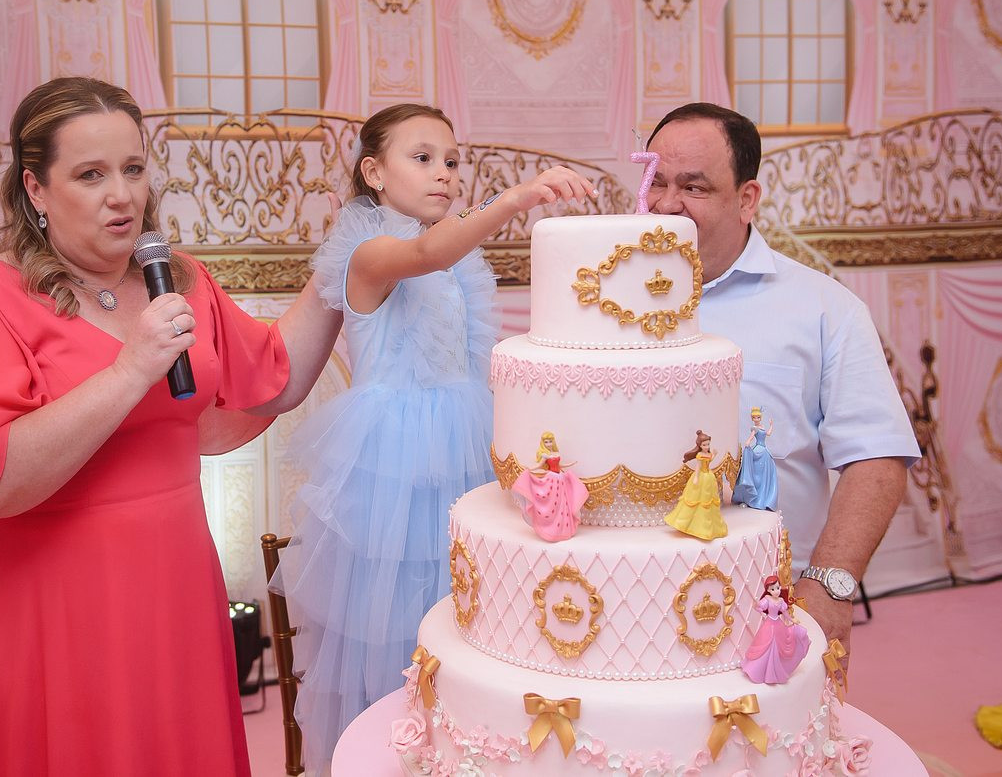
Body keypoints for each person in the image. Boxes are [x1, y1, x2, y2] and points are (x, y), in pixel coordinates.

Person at [0, 77, 341, 777]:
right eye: (91, 175)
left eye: (133, 169)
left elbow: (274, 377)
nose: (122, 195)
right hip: (46, 607)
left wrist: (340, 273)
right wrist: (131, 369)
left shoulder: (179, 278)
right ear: (35, 188)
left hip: (173, 589)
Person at [272, 103, 596, 774]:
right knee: (398, 618)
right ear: (374, 172)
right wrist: (516, 198)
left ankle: (462, 749)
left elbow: (454, 299)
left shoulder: (454, 263)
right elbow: (426, 251)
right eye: (421, 159)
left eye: (451, 161)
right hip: (393, 460)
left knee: (465, 607)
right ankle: (396, 749)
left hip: (461, 444)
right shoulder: (369, 253)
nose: (443, 173)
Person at [645, 101, 920, 662]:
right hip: (621, 593)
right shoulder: (600, 298)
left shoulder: (824, 309)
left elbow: (877, 457)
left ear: (747, 199)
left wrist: (830, 586)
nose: (667, 205)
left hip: (766, 605)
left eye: (694, 187)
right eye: (656, 182)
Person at [512, 431, 589, 542]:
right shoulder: (545, 455)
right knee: (552, 502)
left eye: (550, 441)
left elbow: (560, 465)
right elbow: (539, 465)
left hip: (560, 479)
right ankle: (550, 527)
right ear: (543, 443)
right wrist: (529, 469)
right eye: (546, 442)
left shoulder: (556, 453)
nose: (548, 444)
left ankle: (563, 528)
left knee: (563, 503)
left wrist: (570, 464)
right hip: (552, 478)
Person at [741, 575, 811, 685]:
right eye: (773, 589)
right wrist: (758, 608)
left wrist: (792, 619)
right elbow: (760, 608)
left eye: (778, 588)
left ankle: (774, 671)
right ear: (768, 590)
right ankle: (757, 670)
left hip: (778, 624)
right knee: (765, 646)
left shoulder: (781, 600)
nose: (776, 591)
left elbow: (785, 613)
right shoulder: (767, 599)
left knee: (779, 645)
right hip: (769, 625)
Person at [663, 429, 729, 541]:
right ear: (699, 445)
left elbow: (709, 461)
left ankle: (708, 526)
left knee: (708, 501)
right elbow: (698, 467)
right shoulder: (699, 455)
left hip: (709, 477)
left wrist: (714, 454)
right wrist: (696, 477)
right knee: (696, 500)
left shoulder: (708, 453)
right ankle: (691, 524)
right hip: (701, 477)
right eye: (704, 445)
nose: (706, 447)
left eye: (708, 444)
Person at [733, 405, 779, 510]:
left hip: (764, 451)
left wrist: (771, 425)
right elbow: (751, 437)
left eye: (758, 417)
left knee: (765, 473)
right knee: (756, 473)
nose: (756, 419)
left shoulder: (762, 427)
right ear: (752, 418)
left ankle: (763, 497)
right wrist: (747, 443)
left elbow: (768, 433)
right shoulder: (755, 429)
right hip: (758, 449)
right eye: (754, 417)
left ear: (760, 418)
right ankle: (752, 495)